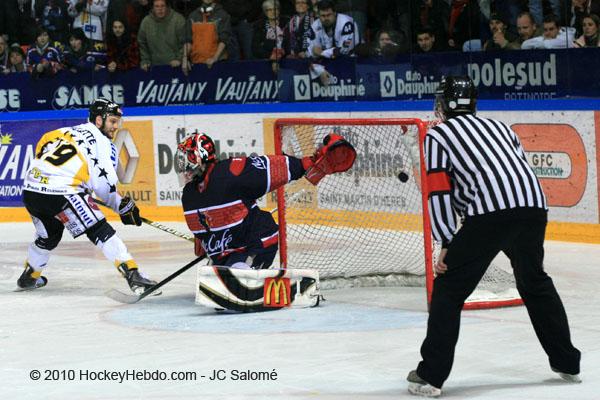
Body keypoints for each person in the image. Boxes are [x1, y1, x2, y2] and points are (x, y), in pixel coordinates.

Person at [406, 76, 581, 397]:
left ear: (443, 104)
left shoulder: (438, 135)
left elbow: (439, 190)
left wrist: (445, 240)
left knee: (448, 290)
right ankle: (567, 361)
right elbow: (512, 173)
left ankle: (430, 375)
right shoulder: (500, 127)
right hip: (532, 207)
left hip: (490, 214)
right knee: (535, 281)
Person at [18, 99, 158, 295]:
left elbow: (43, 143)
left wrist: (51, 173)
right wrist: (122, 208)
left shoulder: (65, 131)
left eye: (118, 121)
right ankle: (134, 276)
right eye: (112, 121)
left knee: (49, 235)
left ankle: (30, 276)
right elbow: (105, 188)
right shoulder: (105, 146)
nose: (116, 127)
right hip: (62, 190)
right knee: (99, 229)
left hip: (32, 188)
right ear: (99, 120)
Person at [176, 131, 355, 270]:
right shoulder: (189, 195)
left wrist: (308, 163)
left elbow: (272, 169)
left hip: (248, 249)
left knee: (264, 224)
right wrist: (203, 241)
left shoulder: (231, 172)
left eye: (185, 160)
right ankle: (228, 270)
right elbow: (203, 233)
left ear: (199, 158)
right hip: (224, 256)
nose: (182, 167)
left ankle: (246, 267)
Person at [182, 0, 232, 71]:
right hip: (196, 63)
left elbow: (224, 39)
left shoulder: (223, 15)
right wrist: (185, 58)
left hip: (217, 63)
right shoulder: (193, 15)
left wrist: (215, 58)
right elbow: (188, 40)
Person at [138, 0, 186, 71]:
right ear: (153, 8)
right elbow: (142, 43)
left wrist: (179, 59)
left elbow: (185, 42)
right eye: (157, 6)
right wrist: (145, 60)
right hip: (154, 67)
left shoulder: (178, 20)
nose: (160, 9)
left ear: (167, 7)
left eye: (162, 6)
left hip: (176, 66)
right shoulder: (146, 22)